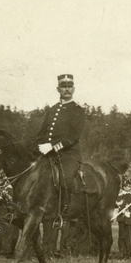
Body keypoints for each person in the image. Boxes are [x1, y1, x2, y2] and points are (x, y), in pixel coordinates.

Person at [34, 73, 86, 223]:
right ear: (58, 89)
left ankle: (65, 211)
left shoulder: (78, 110)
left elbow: (73, 136)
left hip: (69, 155)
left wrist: (52, 146)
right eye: (64, 86)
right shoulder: (52, 110)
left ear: (74, 89)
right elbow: (42, 133)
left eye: (70, 86)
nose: (67, 89)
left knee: (66, 178)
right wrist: (37, 147)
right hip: (49, 155)